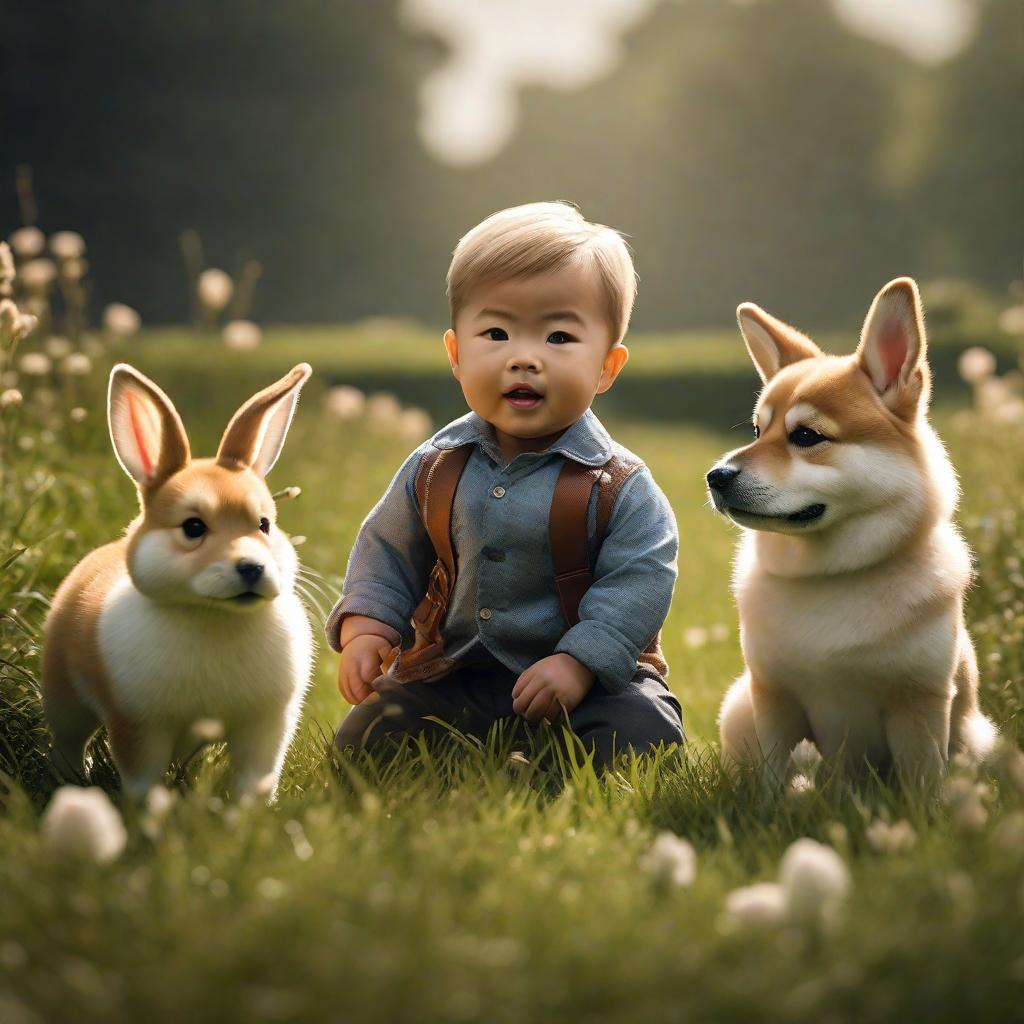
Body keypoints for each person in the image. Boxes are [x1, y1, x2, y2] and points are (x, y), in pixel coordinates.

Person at [325, 201, 683, 765]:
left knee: (643, 732)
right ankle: (487, 749)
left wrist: (580, 662)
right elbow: (389, 548)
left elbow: (641, 579)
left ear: (606, 367)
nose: (524, 358)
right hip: (457, 669)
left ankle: (555, 750)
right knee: (368, 738)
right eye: (496, 332)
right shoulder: (435, 466)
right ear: (456, 354)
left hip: (586, 681)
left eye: (559, 338)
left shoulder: (618, 484)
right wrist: (368, 628)